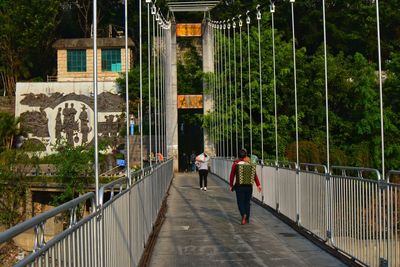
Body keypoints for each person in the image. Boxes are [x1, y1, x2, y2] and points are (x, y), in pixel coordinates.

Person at [229, 148, 262, 225]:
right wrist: (258, 185)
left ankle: (243, 214)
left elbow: (232, 175)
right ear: (245, 155)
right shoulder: (250, 163)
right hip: (249, 186)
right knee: (247, 202)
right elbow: (254, 175)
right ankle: (247, 219)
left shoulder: (236, 163)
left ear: (238, 155)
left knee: (240, 202)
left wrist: (231, 185)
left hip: (239, 186)